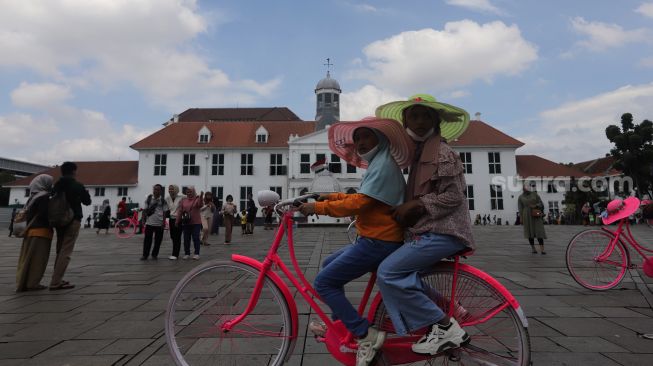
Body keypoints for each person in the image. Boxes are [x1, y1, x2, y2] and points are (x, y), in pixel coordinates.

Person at [299, 117, 414, 366]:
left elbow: (359, 203)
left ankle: (365, 334)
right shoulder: (379, 163)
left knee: (324, 283)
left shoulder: (383, 166)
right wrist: (328, 195)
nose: (360, 143)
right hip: (373, 239)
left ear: (381, 139)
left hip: (378, 241)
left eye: (366, 137)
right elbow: (361, 196)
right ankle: (342, 325)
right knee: (329, 264)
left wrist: (317, 206)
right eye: (357, 138)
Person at [373, 94, 475, 357]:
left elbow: (454, 196)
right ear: (405, 120)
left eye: (425, 116)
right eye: (413, 116)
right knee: (406, 273)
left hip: (445, 230)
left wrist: (417, 205)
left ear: (435, 119)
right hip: (430, 229)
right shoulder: (420, 153)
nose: (419, 122)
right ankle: (451, 308)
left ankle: (443, 325)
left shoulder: (441, 152)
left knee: (389, 272)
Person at [50, 161, 91, 290]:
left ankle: (57, 279)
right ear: (73, 171)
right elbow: (87, 202)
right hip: (73, 219)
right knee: (66, 251)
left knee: (59, 249)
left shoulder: (57, 185)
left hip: (58, 219)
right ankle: (56, 282)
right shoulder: (77, 185)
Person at [16, 174, 54, 292]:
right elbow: (44, 215)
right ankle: (33, 283)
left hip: (31, 232)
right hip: (41, 232)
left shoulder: (33, 197)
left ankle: (24, 281)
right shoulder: (44, 197)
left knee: (27, 259)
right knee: (38, 260)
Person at [518, 182, 547, 254]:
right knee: (529, 232)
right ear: (523, 188)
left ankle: (542, 249)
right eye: (525, 187)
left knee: (539, 231)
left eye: (528, 186)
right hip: (526, 215)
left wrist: (536, 205)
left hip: (536, 214)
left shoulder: (535, 194)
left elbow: (541, 203)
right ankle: (533, 249)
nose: (527, 188)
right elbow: (520, 208)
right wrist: (521, 218)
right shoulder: (520, 197)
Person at [141, 184, 168, 260]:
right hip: (149, 223)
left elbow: (165, 212)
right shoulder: (149, 199)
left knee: (158, 240)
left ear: (161, 191)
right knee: (147, 240)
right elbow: (144, 210)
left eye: (158, 189)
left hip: (159, 224)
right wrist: (143, 220)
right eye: (155, 189)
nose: (156, 191)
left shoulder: (163, 200)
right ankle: (145, 255)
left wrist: (163, 222)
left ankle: (154, 254)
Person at [176, 186, 203, 260]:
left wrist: (201, 197)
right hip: (186, 222)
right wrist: (177, 221)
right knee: (186, 239)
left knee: (196, 238)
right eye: (188, 192)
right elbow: (180, 211)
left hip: (196, 223)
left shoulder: (197, 199)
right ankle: (187, 253)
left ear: (194, 192)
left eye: (190, 191)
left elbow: (200, 205)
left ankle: (197, 253)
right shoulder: (183, 200)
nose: (189, 193)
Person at [166, 185, 184, 260]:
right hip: (171, 219)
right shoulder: (167, 198)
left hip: (179, 219)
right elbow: (167, 208)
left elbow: (192, 196)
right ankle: (175, 253)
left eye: (172, 189)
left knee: (177, 237)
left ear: (176, 190)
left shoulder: (182, 197)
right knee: (173, 236)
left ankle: (175, 254)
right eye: (169, 189)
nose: (170, 191)